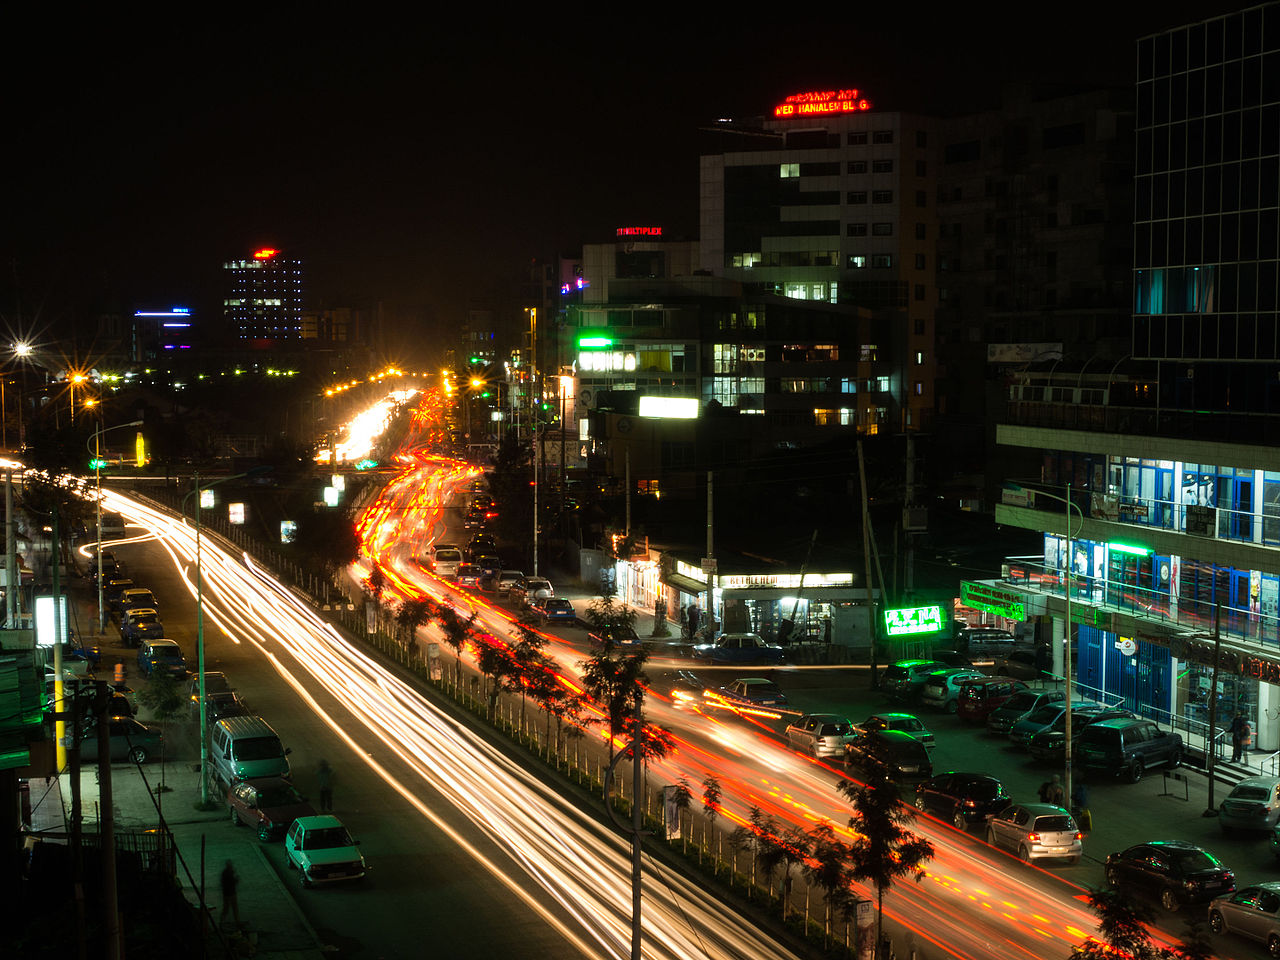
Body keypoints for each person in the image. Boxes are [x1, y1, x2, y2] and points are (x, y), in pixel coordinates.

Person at [220, 859, 240, 927]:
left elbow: (225, 883)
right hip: (230, 893)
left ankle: (222, 921)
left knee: (227, 908)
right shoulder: (228, 873)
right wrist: (236, 879)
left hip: (227, 893)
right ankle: (237, 922)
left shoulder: (225, 873)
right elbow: (232, 882)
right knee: (233, 908)